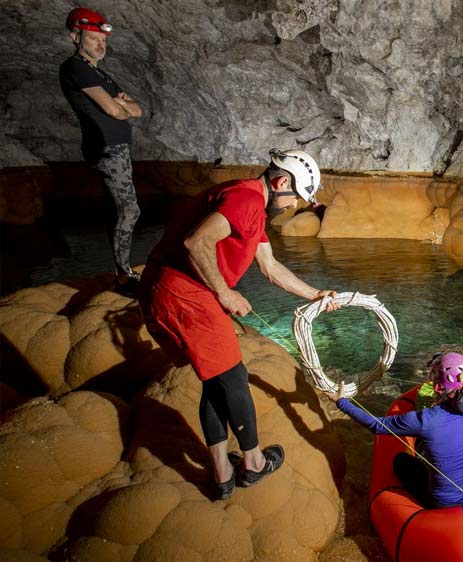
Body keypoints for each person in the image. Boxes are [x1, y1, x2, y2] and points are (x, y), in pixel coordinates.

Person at [138, 148, 339, 501]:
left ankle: (222, 472)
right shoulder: (246, 201)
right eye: (296, 198)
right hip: (187, 295)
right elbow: (195, 241)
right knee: (233, 379)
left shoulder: (251, 204)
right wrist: (225, 292)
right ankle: (254, 462)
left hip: (182, 292)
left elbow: (270, 268)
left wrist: (315, 294)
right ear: (280, 182)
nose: (294, 206)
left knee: (216, 382)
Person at [328, 352, 463, 507]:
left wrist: (341, 402)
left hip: (445, 502)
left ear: (437, 387)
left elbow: (376, 425)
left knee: (401, 461)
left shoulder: (425, 420)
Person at [59, 7, 143, 296]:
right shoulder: (75, 67)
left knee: (119, 209)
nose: (100, 45)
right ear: (75, 36)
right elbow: (113, 110)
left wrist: (124, 106)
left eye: (103, 40)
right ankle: (123, 275)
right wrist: (121, 106)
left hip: (117, 148)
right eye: (93, 38)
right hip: (106, 148)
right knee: (130, 209)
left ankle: (122, 270)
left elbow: (137, 109)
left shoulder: (100, 74)